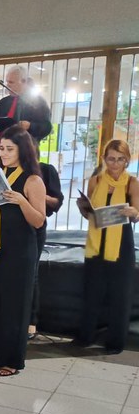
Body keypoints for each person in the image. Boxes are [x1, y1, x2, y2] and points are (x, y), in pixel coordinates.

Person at [0, 125, 46, 376]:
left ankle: (12, 359)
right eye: (1, 148)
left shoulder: (32, 179)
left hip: (18, 248)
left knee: (13, 305)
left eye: (9, 149)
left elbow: (39, 220)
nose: (3, 153)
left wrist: (21, 200)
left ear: (22, 150)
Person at [75, 139, 139, 354]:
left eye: (121, 159)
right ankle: (85, 336)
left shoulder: (132, 182)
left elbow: (137, 214)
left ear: (127, 161)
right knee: (92, 291)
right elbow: (89, 213)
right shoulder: (96, 181)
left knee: (119, 295)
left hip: (121, 242)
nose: (115, 164)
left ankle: (115, 342)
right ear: (104, 159)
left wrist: (133, 213)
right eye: (111, 159)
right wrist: (83, 208)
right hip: (96, 241)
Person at [29, 152, 64, 338]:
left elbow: (56, 202)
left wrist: (36, 195)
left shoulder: (45, 171)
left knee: (31, 274)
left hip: (35, 228)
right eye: (3, 149)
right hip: (10, 229)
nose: (5, 154)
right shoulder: (7, 172)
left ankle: (31, 321)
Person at [0, 64, 52, 145]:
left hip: (26, 151)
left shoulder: (38, 101)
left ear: (24, 82)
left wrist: (30, 126)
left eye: (11, 82)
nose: (7, 85)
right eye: (7, 81)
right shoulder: (3, 103)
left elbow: (47, 127)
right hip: (3, 151)